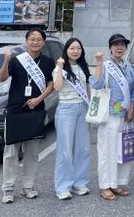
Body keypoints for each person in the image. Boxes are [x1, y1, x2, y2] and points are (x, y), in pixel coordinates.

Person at [0, 27, 55, 204]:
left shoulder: (48, 62)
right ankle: (8, 189)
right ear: (26, 41)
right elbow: (2, 78)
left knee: (32, 152)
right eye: (32, 39)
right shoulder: (16, 60)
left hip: (36, 112)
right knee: (11, 152)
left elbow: (51, 84)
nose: (35, 42)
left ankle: (28, 187)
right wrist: (6, 60)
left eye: (39, 39)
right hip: (15, 110)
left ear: (43, 42)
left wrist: (38, 99)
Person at [90, 33, 134, 201]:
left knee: (122, 150)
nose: (119, 47)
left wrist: (132, 109)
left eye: (122, 45)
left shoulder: (127, 66)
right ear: (110, 48)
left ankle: (116, 183)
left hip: (126, 116)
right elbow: (96, 85)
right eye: (116, 44)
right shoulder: (105, 65)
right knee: (107, 151)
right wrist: (98, 63)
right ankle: (105, 185)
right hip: (110, 114)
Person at [52, 37, 92, 200]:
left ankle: (79, 184)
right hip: (66, 109)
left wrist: (92, 108)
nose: (75, 51)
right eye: (72, 48)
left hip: (83, 108)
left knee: (83, 148)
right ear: (66, 50)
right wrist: (60, 67)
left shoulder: (83, 66)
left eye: (78, 48)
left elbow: (88, 89)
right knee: (65, 150)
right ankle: (63, 187)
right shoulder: (59, 68)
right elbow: (57, 87)